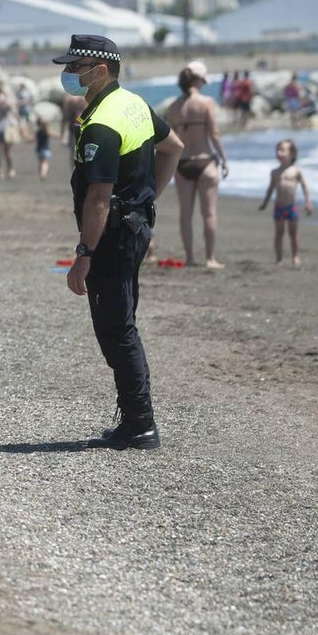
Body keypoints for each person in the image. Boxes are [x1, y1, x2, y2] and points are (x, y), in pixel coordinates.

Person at [57, 34, 183, 450]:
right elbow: (173, 147)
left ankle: (139, 423)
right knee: (122, 319)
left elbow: (98, 197)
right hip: (135, 227)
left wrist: (83, 255)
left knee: (115, 327)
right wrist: (148, 198)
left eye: (76, 67)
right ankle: (134, 419)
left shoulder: (104, 123)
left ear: (101, 70)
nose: (69, 74)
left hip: (112, 235)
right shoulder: (134, 104)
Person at [165, 60, 229, 269]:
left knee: (185, 214)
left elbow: (169, 138)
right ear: (199, 80)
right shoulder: (206, 103)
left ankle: (190, 257)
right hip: (205, 161)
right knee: (209, 213)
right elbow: (214, 134)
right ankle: (210, 258)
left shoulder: (174, 106)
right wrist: (224, 159)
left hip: (182, 163)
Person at [258, 139, 313, 266]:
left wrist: (308, 202)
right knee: (279, 234)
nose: (279, 153)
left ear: (292, 154)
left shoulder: (296, 171)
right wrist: (265, 203)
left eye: (282, 150)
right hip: (279, 207)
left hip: (292, 207)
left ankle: (295, 256)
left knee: (293, 234)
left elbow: (304, 187)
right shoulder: (275, 172)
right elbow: (270, 189)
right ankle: (279, 258)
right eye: (277, 150)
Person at [34, 115, 53, 181]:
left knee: (40, 163)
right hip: (46, 150)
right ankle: (43, 174)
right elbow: (55, 135)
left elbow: (33, 139)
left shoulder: (38, 132)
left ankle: (41, 173)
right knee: (45, 163)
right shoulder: (47, 132)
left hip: (39, 150)